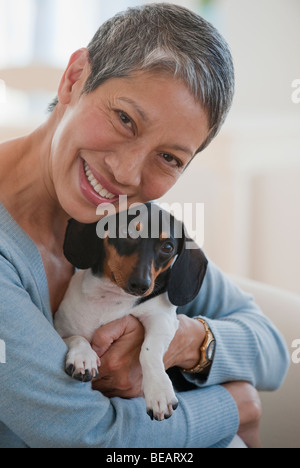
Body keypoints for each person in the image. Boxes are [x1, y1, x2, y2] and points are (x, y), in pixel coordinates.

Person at [0, 3, 289, 448]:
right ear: (75, 77)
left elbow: (272, 351)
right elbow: (85, 434)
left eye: (170, 157)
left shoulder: (129, 228)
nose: (128, 174)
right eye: (125, 119)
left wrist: (185, 343)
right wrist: (236, 407)